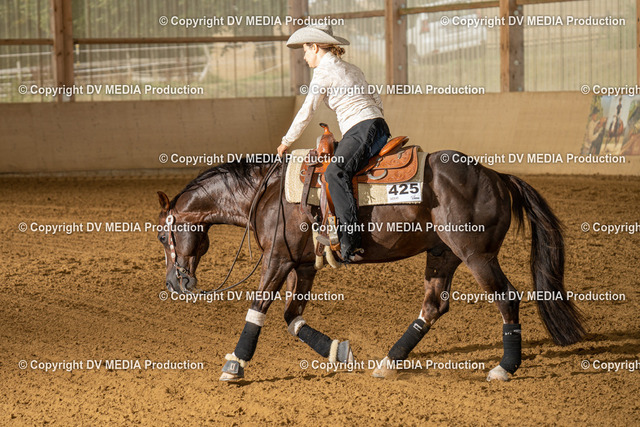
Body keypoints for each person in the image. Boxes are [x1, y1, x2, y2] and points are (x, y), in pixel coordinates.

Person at [277, 24, 391, 263]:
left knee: (335, 172)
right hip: (375, 125)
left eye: (305, 51)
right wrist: (374, 118)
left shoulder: (323, 73)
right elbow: (375, 97)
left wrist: (286, 141)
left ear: (315, 47)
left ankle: (350, 242)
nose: (304, 57)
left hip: (361, 128)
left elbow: (307, 111)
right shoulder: (352, 68)